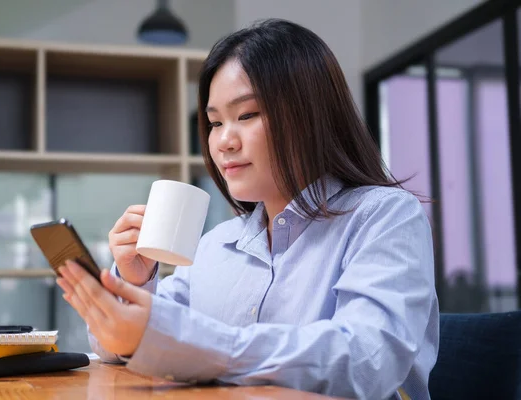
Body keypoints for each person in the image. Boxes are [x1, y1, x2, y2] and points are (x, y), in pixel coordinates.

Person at [56, 18, 439, 400]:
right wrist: (137, 282)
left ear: (310, 115)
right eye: (214, 122)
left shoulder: (384, 216)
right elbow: (118, 348)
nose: (223, 141)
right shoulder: (217, 243)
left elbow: (366, 362)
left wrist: (205, 347)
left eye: (247, 115)